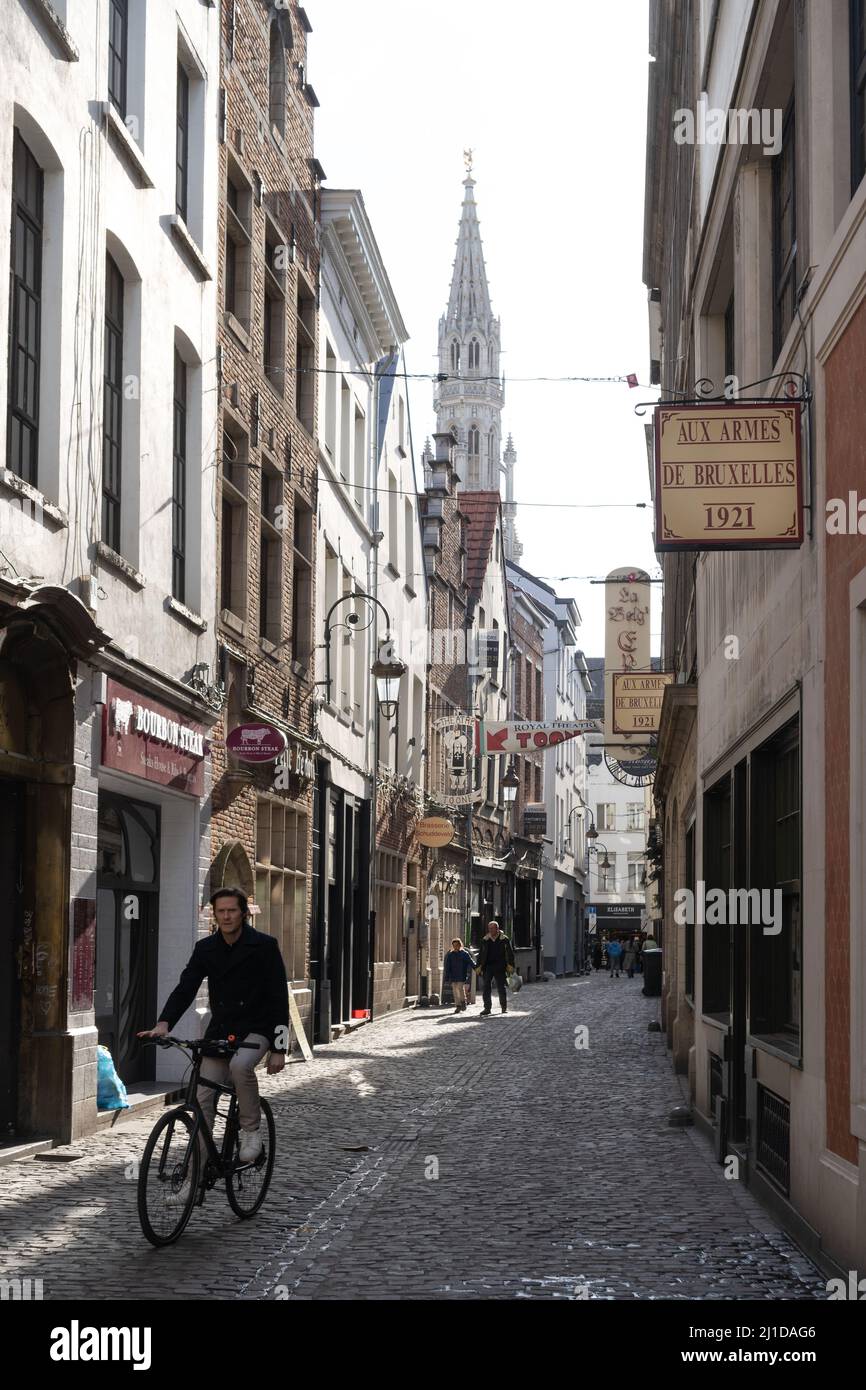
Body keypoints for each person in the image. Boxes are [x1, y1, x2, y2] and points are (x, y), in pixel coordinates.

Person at [138, 887, 289, 1163]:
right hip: (221, 1030)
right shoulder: (206, 948)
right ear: (214, 914)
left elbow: (279, 998)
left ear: (243, 913)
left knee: (241, 1066)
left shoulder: (265, 946)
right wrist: (164, 1023)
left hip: (258, 1027)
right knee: (203, 1097)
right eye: (221, 911)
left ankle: (251, 1130)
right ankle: (194, 1174)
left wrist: (279, 1048)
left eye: (232, 910)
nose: (226, 916)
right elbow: (186, 988)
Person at [475, 919, 515, 1015]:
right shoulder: (485, 940)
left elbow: (510, 953)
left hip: (500, 966)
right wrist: (478, 966)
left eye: (493, 928)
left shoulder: (504, 939)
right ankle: (487, 1008)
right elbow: (481, 954)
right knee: (486, 988)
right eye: (489, 928)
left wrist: (511, 965)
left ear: (497, 929)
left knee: (501, 987)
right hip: (488, 966)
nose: (491, 930)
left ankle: (504, 1007)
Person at [443, 937, 475, 1012]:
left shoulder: (464, 954)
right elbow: (448, 966)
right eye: (454, 945)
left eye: (456, 945)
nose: (455, 947)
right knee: (455, 990)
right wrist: (447, 976)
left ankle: (463, 1002)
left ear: (460, 945)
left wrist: (477, 968)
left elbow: (471, 962)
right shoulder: (450, 955)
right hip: (453, 975)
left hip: (461, 974)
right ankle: (458, 1005)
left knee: (460, 989)